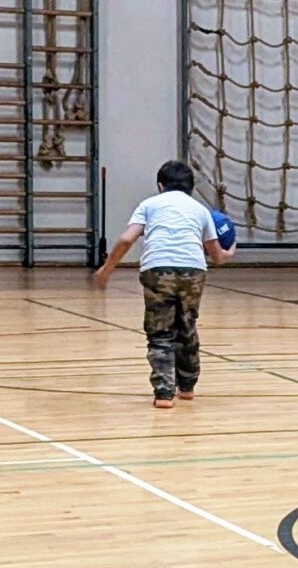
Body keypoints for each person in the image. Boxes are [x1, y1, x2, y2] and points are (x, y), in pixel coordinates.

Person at [94, 160, 236, 408]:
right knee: (187, 325)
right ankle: (188, 388)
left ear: (161, 186)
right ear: (191, 188)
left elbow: (127, 239)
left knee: (160, 332)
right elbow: (216, 256)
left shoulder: (149, 205)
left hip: (157, 269)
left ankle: (163, 393)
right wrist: (230, 251)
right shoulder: (201, 210)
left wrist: (107, 270)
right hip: (193, 271)